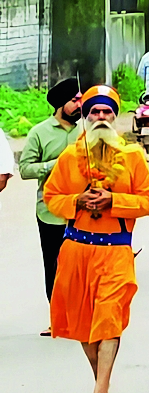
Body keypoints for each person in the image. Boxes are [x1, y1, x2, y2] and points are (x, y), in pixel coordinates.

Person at [44, 85, 149, 393]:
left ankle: (101, 391)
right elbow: (52, 198)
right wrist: (77, 200)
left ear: (116, 116)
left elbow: (148, 201)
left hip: (115, 251)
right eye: (95, 112)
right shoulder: (70, 156)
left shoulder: (132, 156)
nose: (102, 117)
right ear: (86, 116)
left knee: (109, 319)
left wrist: (114, 200)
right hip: (77, 249)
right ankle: (100, 379)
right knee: (83, 323)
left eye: (107, 112)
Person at [18, 78, 83, 318]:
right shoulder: (39, 133)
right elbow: (25, 169)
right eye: (74, 100)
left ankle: (79, 315)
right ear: (60, 104)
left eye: (81, 100)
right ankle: (58, 317)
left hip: (83, 209)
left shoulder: (87, 131)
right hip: (50, 210)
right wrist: (55, 165)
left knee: (80, 264)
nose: (80, 104)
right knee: (54, 265)